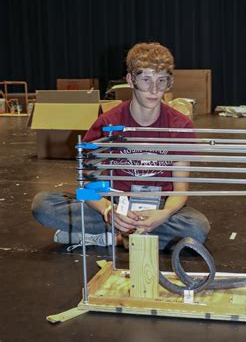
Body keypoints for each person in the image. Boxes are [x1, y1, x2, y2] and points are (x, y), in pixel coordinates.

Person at [32, 42, 210, 250]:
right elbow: (87, 187)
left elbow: (180, 189)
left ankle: (114, 239)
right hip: (115, 204)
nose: (154, 89)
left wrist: (163, 215)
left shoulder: (181, 125)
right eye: (146, 80)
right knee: (43, 205)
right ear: (130, 80)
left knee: (196, 228)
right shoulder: (108, 122)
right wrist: (108, 210)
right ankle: (130, 235)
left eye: (161, 81)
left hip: (157, 208)